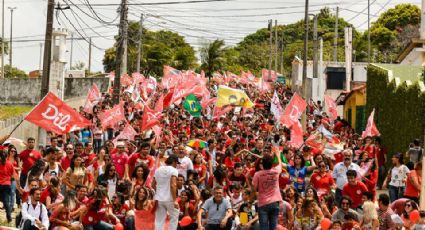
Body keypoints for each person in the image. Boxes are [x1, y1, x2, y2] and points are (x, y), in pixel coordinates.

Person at [252, 149, 282, 230]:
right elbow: (280, 163)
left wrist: (252, 197)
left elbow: (253, 188)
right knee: (273, 227)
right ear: (271, 164)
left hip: (263, 203)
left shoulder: (257, 174)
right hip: (275, 203)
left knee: (264, 227)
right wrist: (278, 154)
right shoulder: (276, 171)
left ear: (262, 165)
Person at [152, 154, 180, 230]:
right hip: (170, 199)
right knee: (174, 218)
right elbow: (173, 185)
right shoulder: (174, 170)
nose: (176, 165)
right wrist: (175, 200)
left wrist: (158, 193)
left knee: (159, 220)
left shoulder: (158, 169)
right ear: (174, 162)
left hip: (159, 198)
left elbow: (153, 184)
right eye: (177, 163)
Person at [0, 146, 17, 223]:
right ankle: (9, 215)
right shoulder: (10, 164)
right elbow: (13, 176)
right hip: (7, 185)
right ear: (7, 155)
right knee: (6, 201)